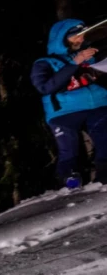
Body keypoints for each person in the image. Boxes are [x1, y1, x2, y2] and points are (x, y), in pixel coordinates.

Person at [31, 18, 107, 188]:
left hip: (97, 105)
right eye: (75, 37)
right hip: (64, 112)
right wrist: (74, 63)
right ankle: (69, 182)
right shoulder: (45, 63)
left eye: (82, 36)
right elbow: (45, 87)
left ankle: (104, 177)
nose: (80, 40)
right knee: (69, 150)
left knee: (104, 137)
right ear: (62, 37)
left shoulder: (89, 57)